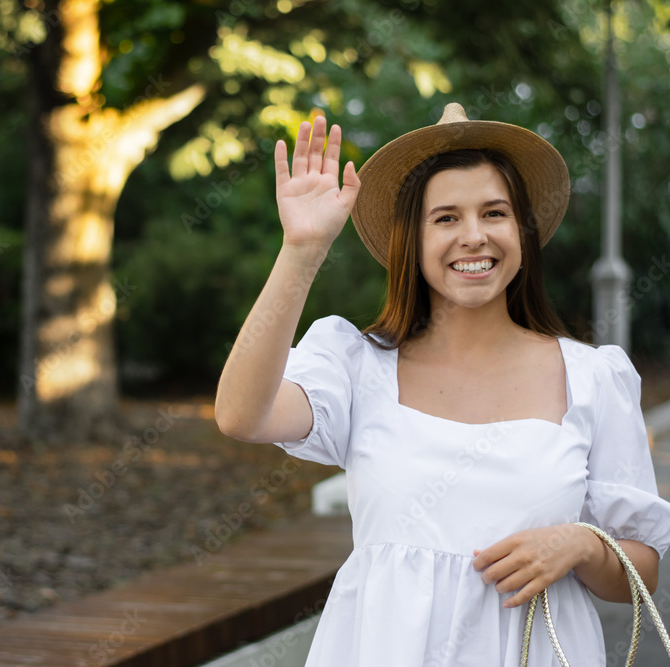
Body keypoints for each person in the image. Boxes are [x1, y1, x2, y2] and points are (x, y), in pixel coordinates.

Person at [214, 102, 670, 665]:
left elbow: (639, 573)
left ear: (522, 232)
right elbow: (240, 415)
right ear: (413, 239)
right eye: (446, 217)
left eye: (495, 213)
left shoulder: (595, 378)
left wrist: (581, 544)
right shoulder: (358, 365)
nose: (474, 237)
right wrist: (302, 251)